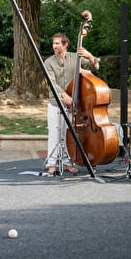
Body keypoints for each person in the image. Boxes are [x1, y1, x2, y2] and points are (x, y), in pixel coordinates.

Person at [44, 32, 100, 175]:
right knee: (54, 134)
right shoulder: (48, 62)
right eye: (53, 43)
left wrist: (89, 55)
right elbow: (51, 83)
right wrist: (64, 95)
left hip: (73, 104)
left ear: (65, 45)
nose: (54, 46)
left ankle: (68, 162)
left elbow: (95, 67)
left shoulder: (75, 58)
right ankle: (52, 164)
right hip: (55, 103)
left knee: (68, 134)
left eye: (57, 43)